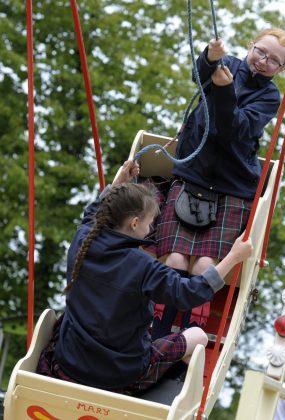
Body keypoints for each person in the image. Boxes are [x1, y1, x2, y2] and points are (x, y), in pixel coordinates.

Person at [36, 160, 253, 395]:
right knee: (198, 337)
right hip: (119, 375)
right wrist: (233, 258)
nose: (150, 230)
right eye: (149, 223)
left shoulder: (82, 239)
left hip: (69, 363)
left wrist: (118, 183)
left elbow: (93, 213)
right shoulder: (143, 265)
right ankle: (168, 393)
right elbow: (189, 293)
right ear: (134, 222)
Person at [151, 27, 285, 339]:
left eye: (273, 61)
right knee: (173, 259)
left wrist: (226, 90)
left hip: (231, 187)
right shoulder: (226, 62)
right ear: (250, 45)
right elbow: (199, 76)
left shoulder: (269, 96)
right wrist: (209, 57)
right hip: (192, 175)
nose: (262, 61)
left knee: (203, 264)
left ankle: (190, 339)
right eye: (260, 51)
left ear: (280, 70)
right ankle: (156, 332)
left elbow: (234, 128)